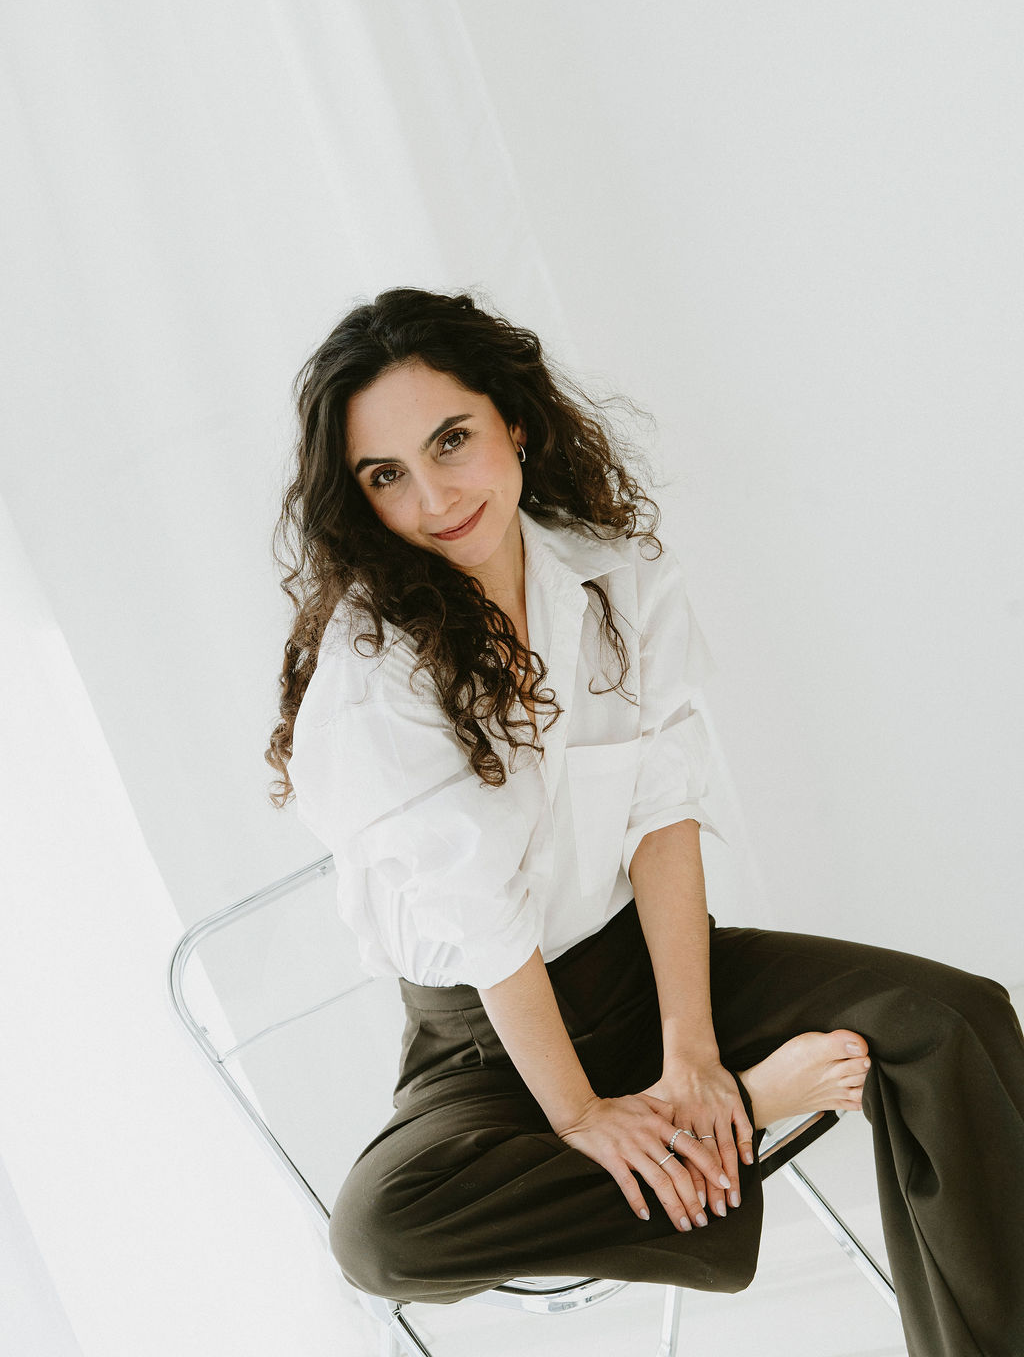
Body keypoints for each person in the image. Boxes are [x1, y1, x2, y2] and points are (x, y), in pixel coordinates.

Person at [268, 287, 1024, 1357]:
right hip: (488, 1039)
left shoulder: (612, 572)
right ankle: (742, 1117)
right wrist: (593, 1116)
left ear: (513, 421)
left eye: (452, 440)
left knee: (953, 1022)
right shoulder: (372, 671)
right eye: (384, 475)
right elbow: (487, 929)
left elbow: (664, 815)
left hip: (649, 974)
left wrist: (692, 1051)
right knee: (381, 1235)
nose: (434, 497)